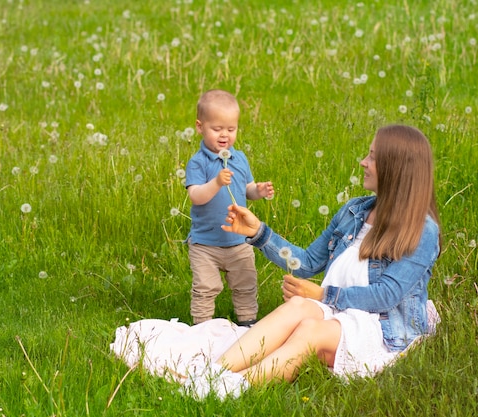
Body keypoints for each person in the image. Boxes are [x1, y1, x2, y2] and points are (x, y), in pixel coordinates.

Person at [180, 124, 442, 399]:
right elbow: (306, 262)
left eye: (373, 157)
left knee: (310, 331)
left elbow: (387, 295)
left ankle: (236, 387)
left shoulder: (422, 230)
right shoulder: (355, 210)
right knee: (297, 306)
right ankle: (213, 373)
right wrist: (258, 233)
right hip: (339, 311)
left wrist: (322, 294)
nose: (364, 162)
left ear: (396, 169)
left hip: (383, 327)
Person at [185, 89, 274, 326]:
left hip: (238, 242)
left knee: (246, 284)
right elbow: (196, 196)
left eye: (231, 129)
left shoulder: (240, 158)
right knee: (206, 287)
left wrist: (260, 191)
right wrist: (215, 182)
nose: (224, 135)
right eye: (217, 129)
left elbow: (248, 189)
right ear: (200, 126)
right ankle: (202, 327)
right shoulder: (198, 162)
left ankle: (247, 323)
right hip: (205, 244)